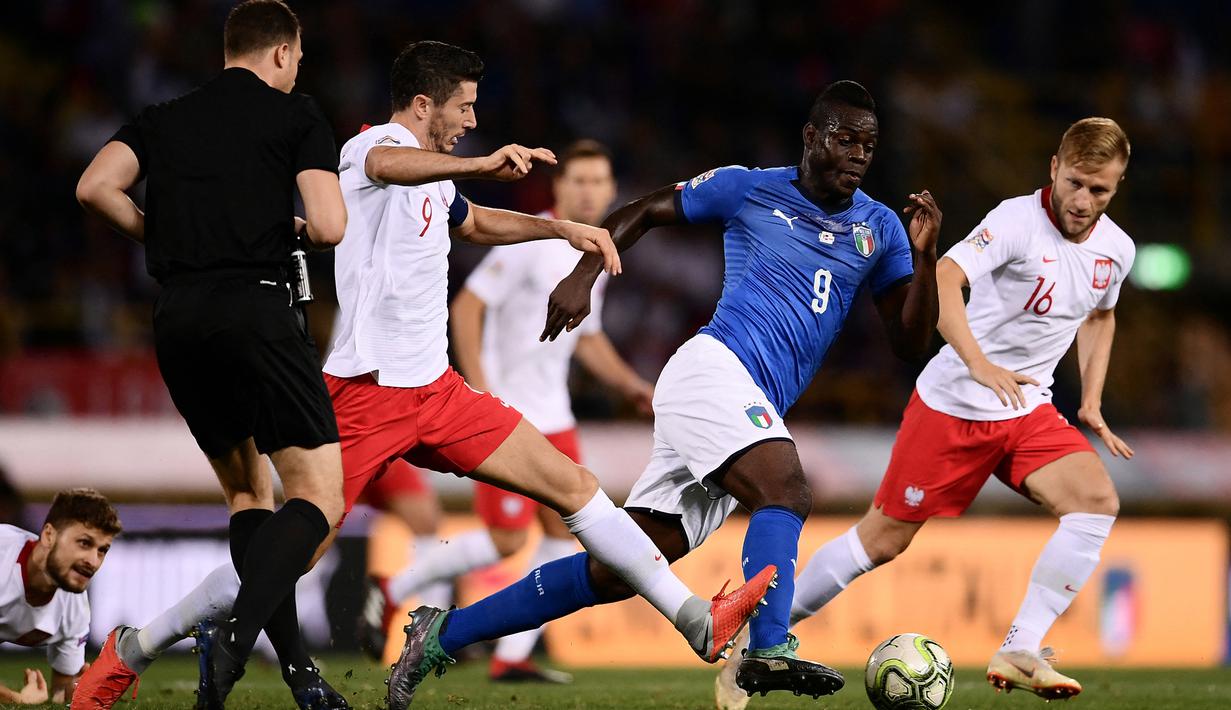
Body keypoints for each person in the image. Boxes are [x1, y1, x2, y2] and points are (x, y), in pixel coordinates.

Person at [391, 79, 943, 704]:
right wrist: (584, 273)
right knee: (785, 487)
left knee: (619, 566)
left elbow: (911, 342)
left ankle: (442, 633)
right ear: (812, 137)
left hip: (743, 402)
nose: (859, 154)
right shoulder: (750, 187)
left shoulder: (881, 229)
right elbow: (647, 208)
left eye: (869, 144)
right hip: (712, 371)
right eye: (846, 139)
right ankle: (768, 649)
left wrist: (924, 259)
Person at [311, 41, 772, 710]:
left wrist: (562, 231)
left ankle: (694, 618)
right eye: (463, 107)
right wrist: (482, 168)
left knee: (575, 494)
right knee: (299, 544)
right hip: (367, 392)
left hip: (437, 393)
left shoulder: (442, 183)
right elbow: (392, 175)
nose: (471, 119)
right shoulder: (372, 147)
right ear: (422, 104)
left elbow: (475, 225)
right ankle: (154, 643)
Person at [719, 117, 1134, 707]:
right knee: (882, 541)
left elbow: (1099, 315)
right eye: (1076, 183)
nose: (1083, 201)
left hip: (1026, 409)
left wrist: (1091, 400)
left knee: (1096, 503)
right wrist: (979, 364)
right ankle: (756, 645)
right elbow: (943, 276)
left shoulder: (1117, 250)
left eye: (1100, 191)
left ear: (1117, 187)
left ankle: (1021, 645)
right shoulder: (1016, 221)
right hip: (954, 404)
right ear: (1054, 168)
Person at [74, 2, 350, 708]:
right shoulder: (298, 116)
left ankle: (299, 675)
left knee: (245, 493)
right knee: (318, 494)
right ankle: (234, 634)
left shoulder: (164, 116)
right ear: (283, 55)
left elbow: (93, 186)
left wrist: (164, 240)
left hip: (177, 315)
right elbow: (328, 223)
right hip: (255, 309)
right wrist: (284, 228)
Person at [357, 140, 654, 683]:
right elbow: (466, 308)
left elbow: (587, 340)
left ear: (612, 190)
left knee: (565, 533)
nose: (588, 191)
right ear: (559, 188)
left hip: (556, 415)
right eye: (578, 181)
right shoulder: (528, 240)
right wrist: (480, 389)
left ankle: (512, 657)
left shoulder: (593, 250)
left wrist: (633, 386)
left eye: (597, 182)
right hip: (509, 416)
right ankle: (394, 589)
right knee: (507, 540)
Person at [0, 489, 121, 705]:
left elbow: (61, 691)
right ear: (48, 536)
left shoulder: (75, 609)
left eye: (102, 550)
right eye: (84, 543)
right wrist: (17, 700)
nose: (93, 561)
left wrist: (78, 691)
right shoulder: (3, 556)